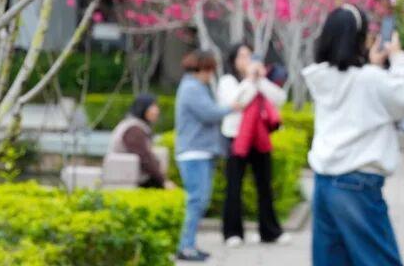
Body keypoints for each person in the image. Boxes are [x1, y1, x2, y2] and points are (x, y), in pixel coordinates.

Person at [303, 4, 404, 266]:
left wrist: (372, 64)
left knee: (332, 260)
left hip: (325, 182)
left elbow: (355, 81)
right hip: (357, 185)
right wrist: (399, 57)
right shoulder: (369, 79)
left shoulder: (321, 77)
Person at [217, 42, 289, 247]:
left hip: (259, 138)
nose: (246, 60)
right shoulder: (228, 81)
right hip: (236, 137)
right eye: (241, 56)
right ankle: (232, 232)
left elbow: (279, 98)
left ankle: (270, 231)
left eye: (249, 56)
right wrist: (250, 80)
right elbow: (235, 101)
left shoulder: (260, 81)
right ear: (233, 60)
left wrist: (260, 80)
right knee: (234, 186)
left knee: (264, 185)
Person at [175, 50, 237, 263]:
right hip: (194, 153)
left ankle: (189, 244)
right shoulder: (192, 88)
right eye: (210, 70)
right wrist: (232, 108)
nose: (211, 75)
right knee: (196, 200)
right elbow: (209, 113)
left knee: (199, 200)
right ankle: (186, 246)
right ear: (201, 68)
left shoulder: (195, 86)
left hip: (200, 152)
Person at [106, 93, 172, 189]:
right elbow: (145, 158)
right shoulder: (134, 129)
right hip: (124, 178)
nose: (157, 111)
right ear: (142, 108)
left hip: (128, 175)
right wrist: (163, 181)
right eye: (152, 107)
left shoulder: (136, 126)